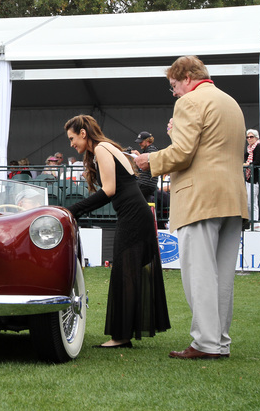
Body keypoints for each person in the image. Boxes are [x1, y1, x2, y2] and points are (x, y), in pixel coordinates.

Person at [134, 55, 249, 360]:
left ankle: (205, 343)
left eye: (174, 85)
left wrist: (149, 161)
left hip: (199, 198)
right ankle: (219, 342)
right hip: (233, 198)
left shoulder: (189, 102)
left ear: (186, 77)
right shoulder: (230, 103)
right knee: (222, 277)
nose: (174, 92)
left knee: (199, 274)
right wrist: (175, 135)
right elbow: (212, 148)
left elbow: (184, 153)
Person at [64, 114, 170, 349]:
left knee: (125, 272)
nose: (71, 144)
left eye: (72, 138)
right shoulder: (105, 149)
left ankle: (121, 336)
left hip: (133, 216)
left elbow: (110, 190)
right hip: (134, 214)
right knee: (126, 273)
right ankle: (122, 335)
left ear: (83, 133)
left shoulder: (102, 148)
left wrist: (72, 210)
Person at [244, 129, 260, 223]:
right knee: (249, 202)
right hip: (249, 178)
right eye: (247, 137)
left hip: (256, 178)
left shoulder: (259, 147)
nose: (249, 139)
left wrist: (248, 164)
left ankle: (255, 223)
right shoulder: (249, 149)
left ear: (256, 137)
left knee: (252, 202)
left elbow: (259, 162)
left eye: (251, 137)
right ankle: (252, 222)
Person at [132, 131, 159, 201]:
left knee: (129, 194)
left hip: (146, 184)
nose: (139, 144)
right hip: (146, 183)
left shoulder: (151, 149)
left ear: (147, 141)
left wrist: (138, 156)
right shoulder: (147, 150)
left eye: (141, 142)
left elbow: (149, 163)